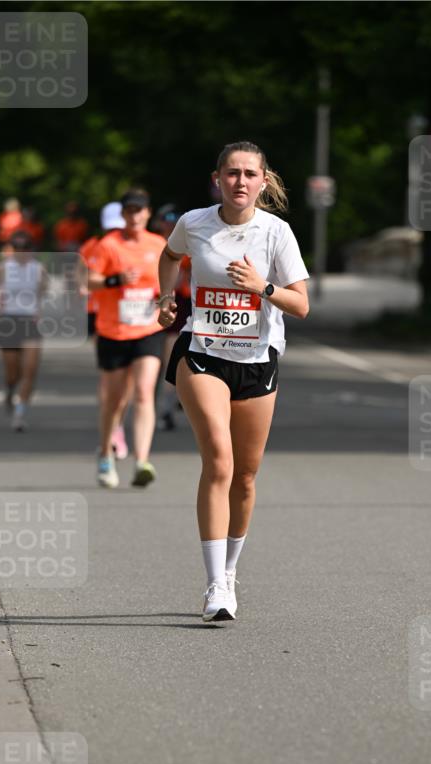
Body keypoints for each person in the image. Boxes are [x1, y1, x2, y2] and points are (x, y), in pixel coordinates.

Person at [158, 141, 309, 622]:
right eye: (231, 173)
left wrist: (261, 288)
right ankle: (214, 586)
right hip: (202, 354)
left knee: (245, 476)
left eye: (249, 174)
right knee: (219, 462)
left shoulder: (276, 233)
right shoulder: (194, 223)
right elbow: (169, 255)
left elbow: (301, 305)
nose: (240, 181)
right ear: (217, 178)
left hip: (257, 360)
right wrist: (165, 295)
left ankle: (230, 570)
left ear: (263, 181)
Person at [87, 188, 167, 488]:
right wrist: (115, 280)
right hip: (113, 330)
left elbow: (167, 280)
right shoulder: (109, 245)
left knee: (145, 392)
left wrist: (165, 298)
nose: (134, 215)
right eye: (129, 210)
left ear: (147, 213)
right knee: (115, 400)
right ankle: (106, 453)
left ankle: (142, 460)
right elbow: (89, 280)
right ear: (122, 215)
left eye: (140, 210)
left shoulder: (158, 244)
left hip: (147, 329)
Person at [79, 201, 131, 459]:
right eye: (111, 228)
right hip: (100, 314)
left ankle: (117, 424)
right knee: (109, 377)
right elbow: (81, 280)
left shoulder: (138, 244)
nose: (114, 233)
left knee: (130, 380)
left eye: (118, 228)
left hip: (132, 317)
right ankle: (113, 428)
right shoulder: (93, 246)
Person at [0, 230, 49, 430]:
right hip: (8, 320)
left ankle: (19, 414)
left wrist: (39, 308)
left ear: (31, 249)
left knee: (30, 370)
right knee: (12, 372)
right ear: (12, 249)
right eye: (17, 247)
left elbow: (43, 291)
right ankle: (9, 389)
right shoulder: (4, 267)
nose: (21, 251)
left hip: (29, 321)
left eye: (26, 247)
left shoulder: (38, 268)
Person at [152, 204, 191, 431]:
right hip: (145, 308)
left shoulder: (185, 245)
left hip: (177, 307)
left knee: (169, 358)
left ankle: (166, 407)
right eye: (166, 218)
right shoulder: (150, 243)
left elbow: (184, 277)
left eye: (176, 217)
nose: (171, 221)